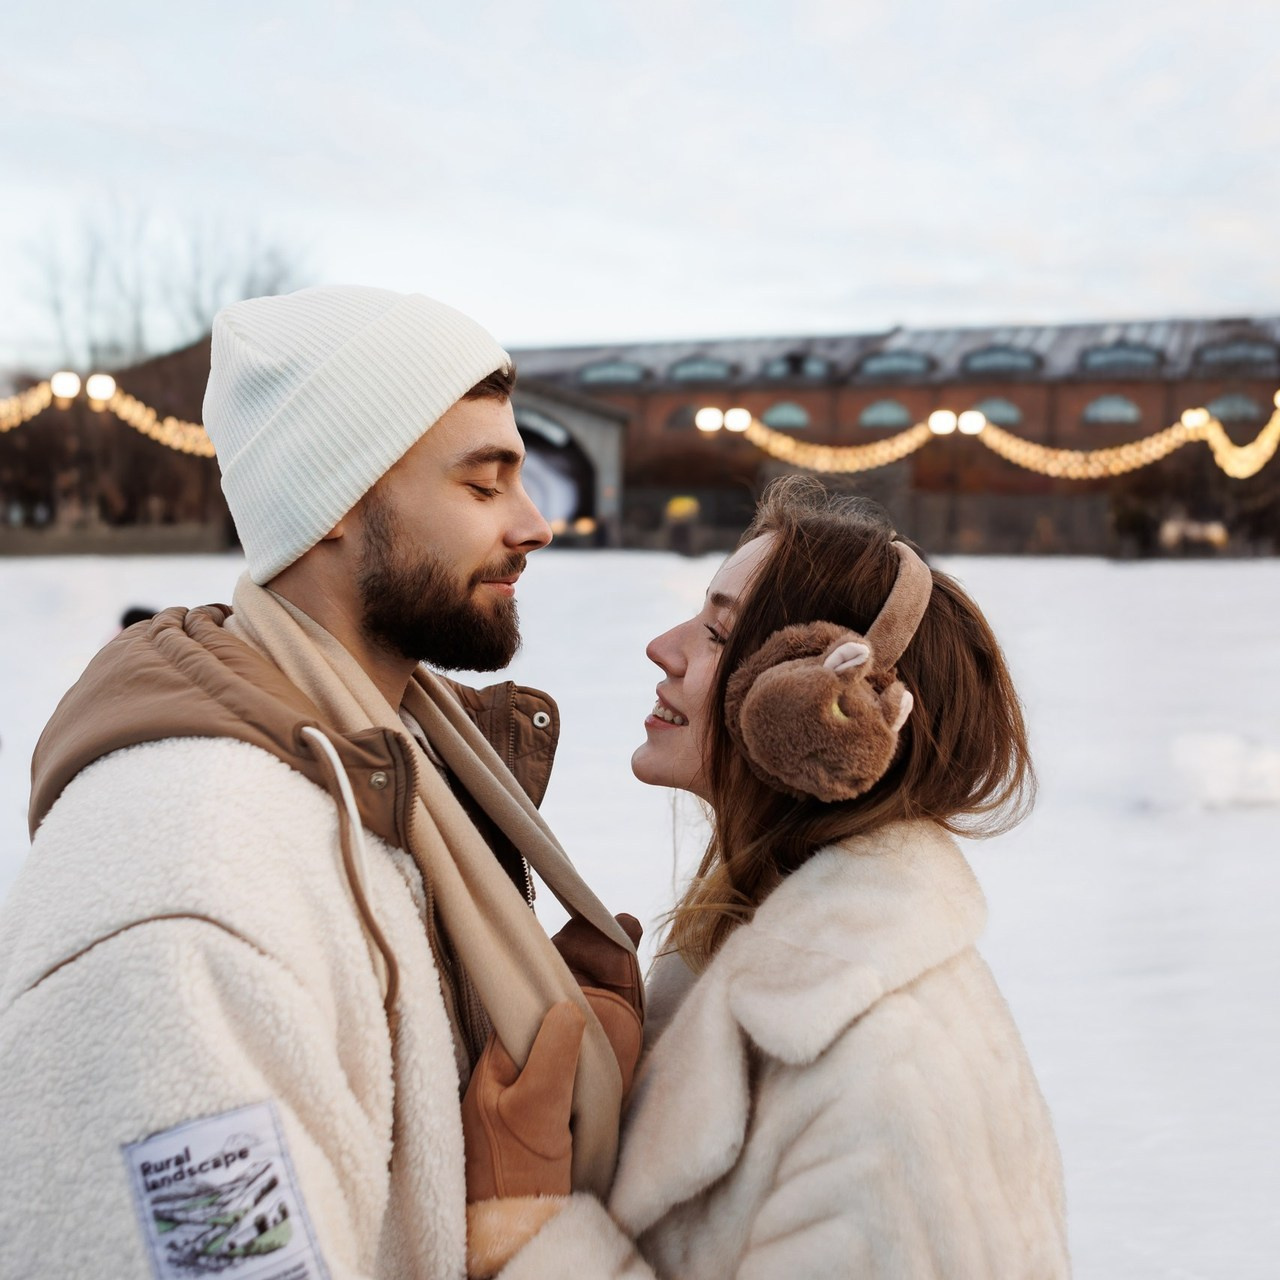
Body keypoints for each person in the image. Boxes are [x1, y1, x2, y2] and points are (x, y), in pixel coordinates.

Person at [0, 285, 641, 1279]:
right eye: (482, 485)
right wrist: (519, 1235)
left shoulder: (393, 765)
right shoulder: (192, 888)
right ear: (336, 498)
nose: (535, 523)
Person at [468, 476, 1070, 1278]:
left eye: (718, 634)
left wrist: (528, 1229)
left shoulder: (888, 1081)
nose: (665, 646)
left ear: (814, 705)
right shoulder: (738, 964)